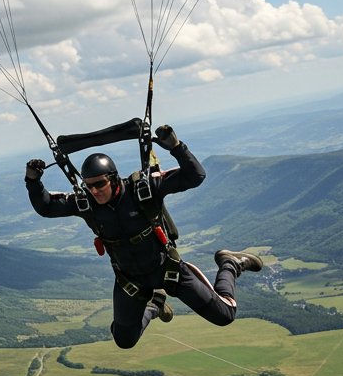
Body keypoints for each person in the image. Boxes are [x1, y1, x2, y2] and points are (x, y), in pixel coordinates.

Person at [24, 124, 263, 349]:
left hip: (167, 269)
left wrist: (177, 147)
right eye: (89, 186)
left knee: (225, 316)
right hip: (131, 281)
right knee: (124, 340)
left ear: (114, 178)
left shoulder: (143, 189)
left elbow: (195, 176)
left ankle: (230, 263)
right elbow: (47, 208)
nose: (94, 191)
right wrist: (33, 182)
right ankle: (156, 306)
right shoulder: (86, 202)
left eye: (99, 184)